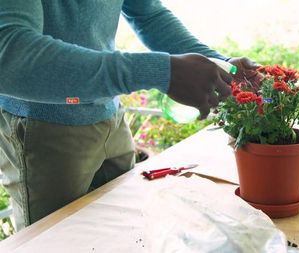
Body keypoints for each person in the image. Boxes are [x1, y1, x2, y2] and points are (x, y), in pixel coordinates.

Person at [0, 1, 260, 231]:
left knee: (120, 233)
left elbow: (148, 14)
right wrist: (160, 71)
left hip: (109, 114)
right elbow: (11, 55)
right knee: (54, 243)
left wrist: (219, 66)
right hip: (44, 127)